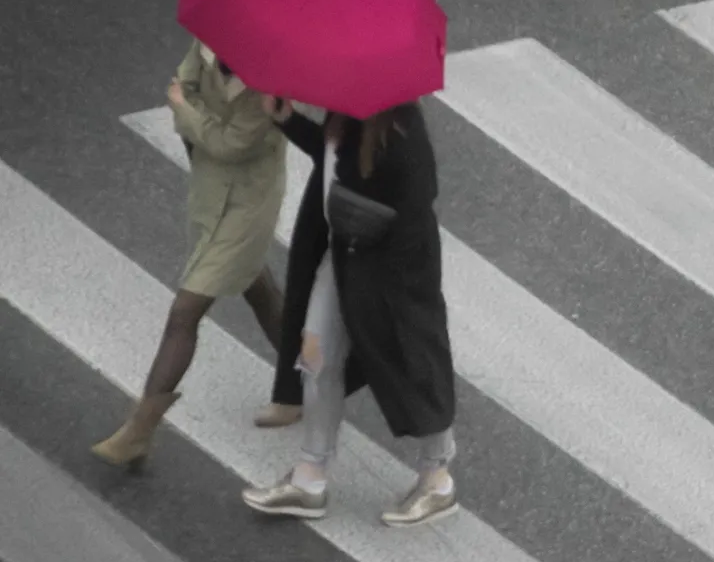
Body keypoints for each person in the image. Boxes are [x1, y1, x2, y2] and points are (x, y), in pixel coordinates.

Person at [241, 95, 460, 526]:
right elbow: (332, 162)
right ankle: (309, 478)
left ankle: (437, 479)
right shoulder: (348, 116)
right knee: (316, 357)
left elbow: (416, 206)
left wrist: (392, 286)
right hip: (344, 255)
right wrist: (289, 121)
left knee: (411, 364)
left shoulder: (401, 132)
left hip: (392, 274)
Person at [91, 40, 288, 470]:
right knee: (255, 282)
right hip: (210, 189)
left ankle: (138, 432)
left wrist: (186, 109)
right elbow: (184, 84)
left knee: (185, 312)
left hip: (248, 203)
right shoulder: (211, 40)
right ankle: (302, 380)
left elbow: (232, 144)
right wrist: (193, 112)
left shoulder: (275, 80)